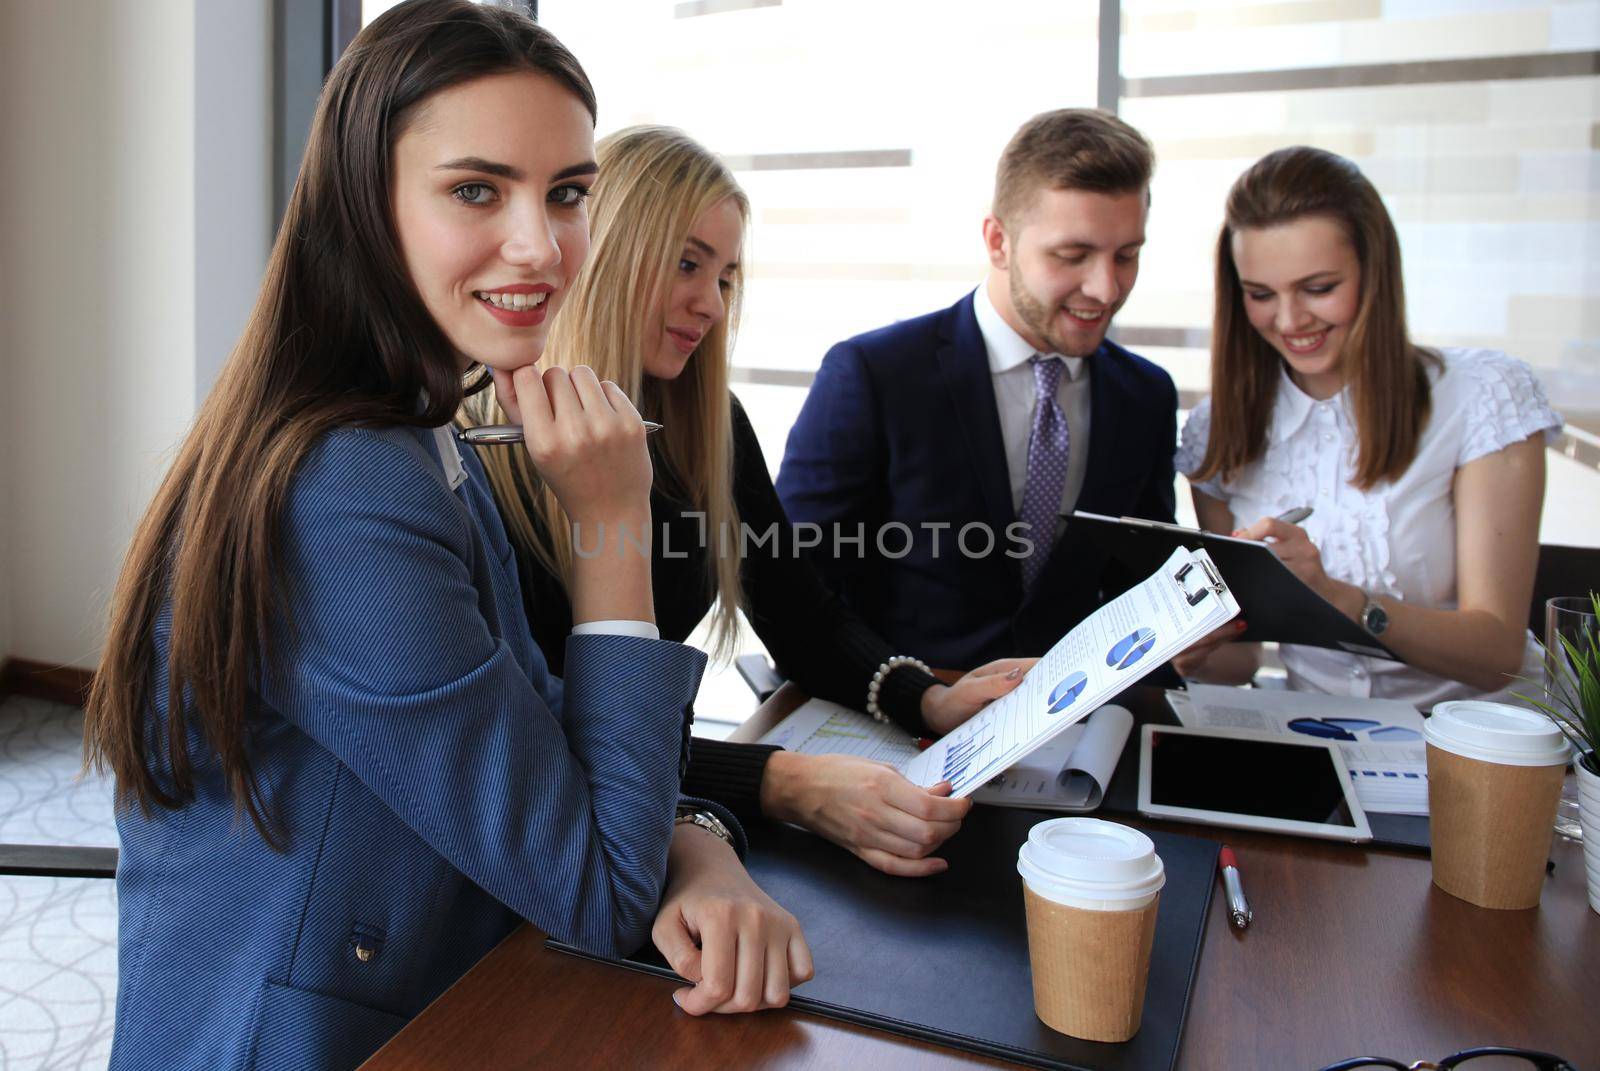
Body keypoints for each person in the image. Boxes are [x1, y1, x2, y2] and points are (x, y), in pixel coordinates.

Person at [82, 6, 805, 1068]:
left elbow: (543, 739)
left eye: (566, 194)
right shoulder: (343, 490)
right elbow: (598, 888)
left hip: (428, 986)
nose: (541, 244)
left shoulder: (419, 430)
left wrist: (693, 839)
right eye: (477, 190)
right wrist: (611, 527)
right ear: (366, 208)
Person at [464, 125, 1034, 881]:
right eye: (686, 264)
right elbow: (541, 731)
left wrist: (926, 699)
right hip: (538, 862)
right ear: (601, 252)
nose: (710, 303)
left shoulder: (710, 427)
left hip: (647, 825)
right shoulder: (483, 446)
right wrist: (780, 781)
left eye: (726, 276)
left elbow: (801, 612)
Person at [775, 109, 1178, 670]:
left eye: (1127, 255)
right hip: (897, 723)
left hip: (1073, 724)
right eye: (1072, 256)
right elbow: (791, 587)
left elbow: (1138, 586)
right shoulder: (873, 375)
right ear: (998, 242)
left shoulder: (1147, 396)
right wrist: (912, 693)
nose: (1106, 288)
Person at [1173, 146, 1561, 708]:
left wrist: (1338, 599)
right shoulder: (1219, 430)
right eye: (1261, 295)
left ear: (1373, 272)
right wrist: (1193, 646)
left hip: (1486, 740)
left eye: (1319, 288)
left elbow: (1497, 656)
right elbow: (1242, 661)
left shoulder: (1483, 395)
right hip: (1325, 737)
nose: (1289, 320)